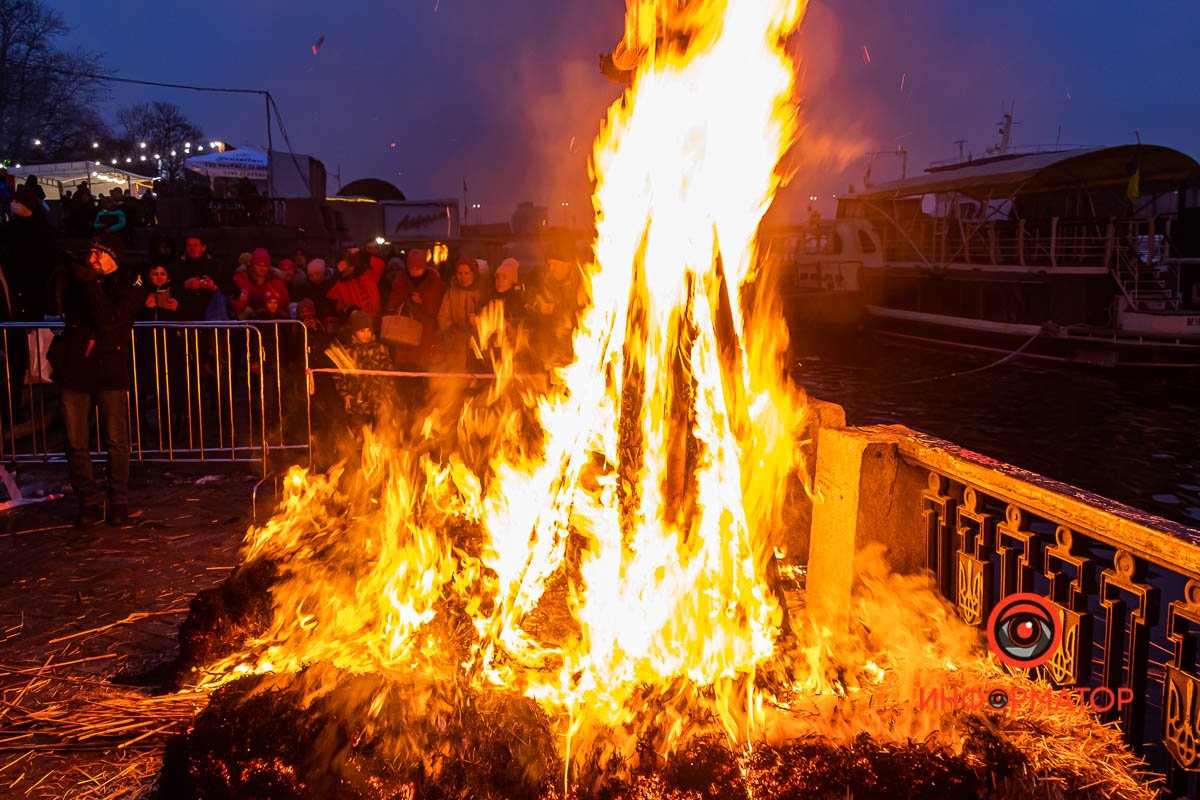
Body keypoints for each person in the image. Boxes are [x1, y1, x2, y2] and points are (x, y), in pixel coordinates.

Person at [51, 234, 146, 527]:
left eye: (98, 254)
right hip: (76, 371)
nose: (91, 260)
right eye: (88, 253)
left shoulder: (129, 286)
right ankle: (88, 502)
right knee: (76, 442)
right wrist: (65, 275)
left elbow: (108, 322)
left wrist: (91, 285)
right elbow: (59, 305)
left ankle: (118, 501)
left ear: (113, 258)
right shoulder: (80, 281)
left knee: (117, 441)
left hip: (109, 372)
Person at [385, 248, 444, 371]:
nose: (414, 271)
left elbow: (438, 309)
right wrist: (405, 304)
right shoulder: (400, 281)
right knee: (404, 366)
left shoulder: (434, 283)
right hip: (403, 332)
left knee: (422, 365)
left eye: (418, 268)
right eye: (411, 267)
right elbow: (392, 304)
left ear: (424, 267)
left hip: (425, 333)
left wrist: (422, 303)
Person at [335, 310, 393, 427]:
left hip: (377, 399)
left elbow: (389, 371)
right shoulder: (347, 351)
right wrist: (345, 394)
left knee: (380, 434)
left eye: (368, 331)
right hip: (356, 400)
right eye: (362, 331)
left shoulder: (380, 348)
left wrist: (388, 392)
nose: (366, 334)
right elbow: (338, 374)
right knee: (359, 433)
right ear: (354, 332)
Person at [437, 258, 487, 373]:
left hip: (479, 343)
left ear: (473, 274)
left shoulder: (482, 293)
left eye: (466, 273)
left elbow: (489, 317)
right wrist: (452, 328)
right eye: (459, 273)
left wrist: (478, 324)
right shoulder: (451, 293)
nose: (462, 277)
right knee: (457, 378)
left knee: (477, 377)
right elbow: (442, 316)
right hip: (456, 345)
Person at [174, 234, 229, 320]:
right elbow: (172, 287)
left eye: (195, 245)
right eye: (189, 245)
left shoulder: (216, 265)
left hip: (211, 313)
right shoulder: (178, 266)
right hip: (186, 315)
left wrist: (213, 286)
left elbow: (229, 286)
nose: (192, 249)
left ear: (203, 247)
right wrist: (185, 284)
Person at [325, 247, 385, 319]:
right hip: (356, 322)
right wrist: (337, 272)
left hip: (376, 319)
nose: (347, 268)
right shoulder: (340, 283)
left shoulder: (368, 274)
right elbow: (329, 294)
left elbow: (380, 263)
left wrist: (361, 253)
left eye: (349, 265)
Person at [231, 248, 290, 318]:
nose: (262, 269)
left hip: (270, 316)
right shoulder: (242, 278)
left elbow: (285, 302)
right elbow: (237, 304)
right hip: (248, 317)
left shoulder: (275, 281)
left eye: (265, 266)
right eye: (259, 265)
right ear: (252, 266)